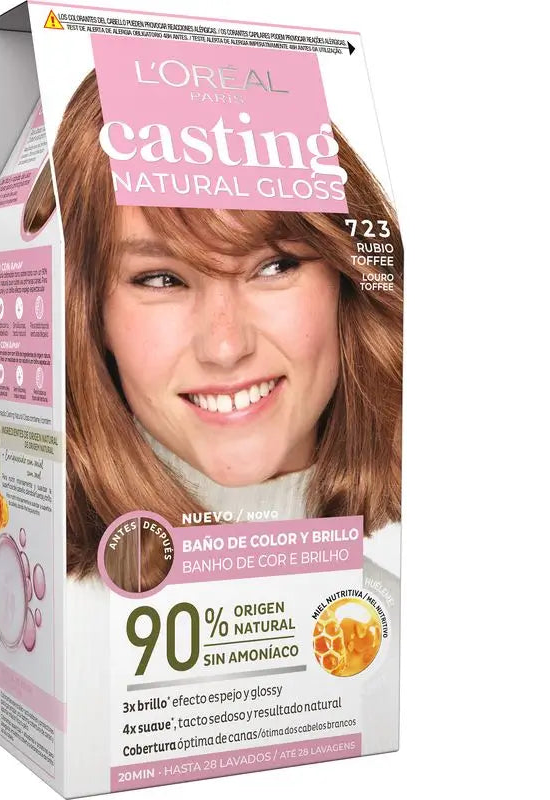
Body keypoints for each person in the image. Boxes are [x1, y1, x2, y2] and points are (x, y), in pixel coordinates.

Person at [40, 69, 402, 588]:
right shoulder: (54, 609)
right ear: (90, 315)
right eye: (161, 279)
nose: (226, 346)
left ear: (347, 281)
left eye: (274, 266)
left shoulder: (389, 613)